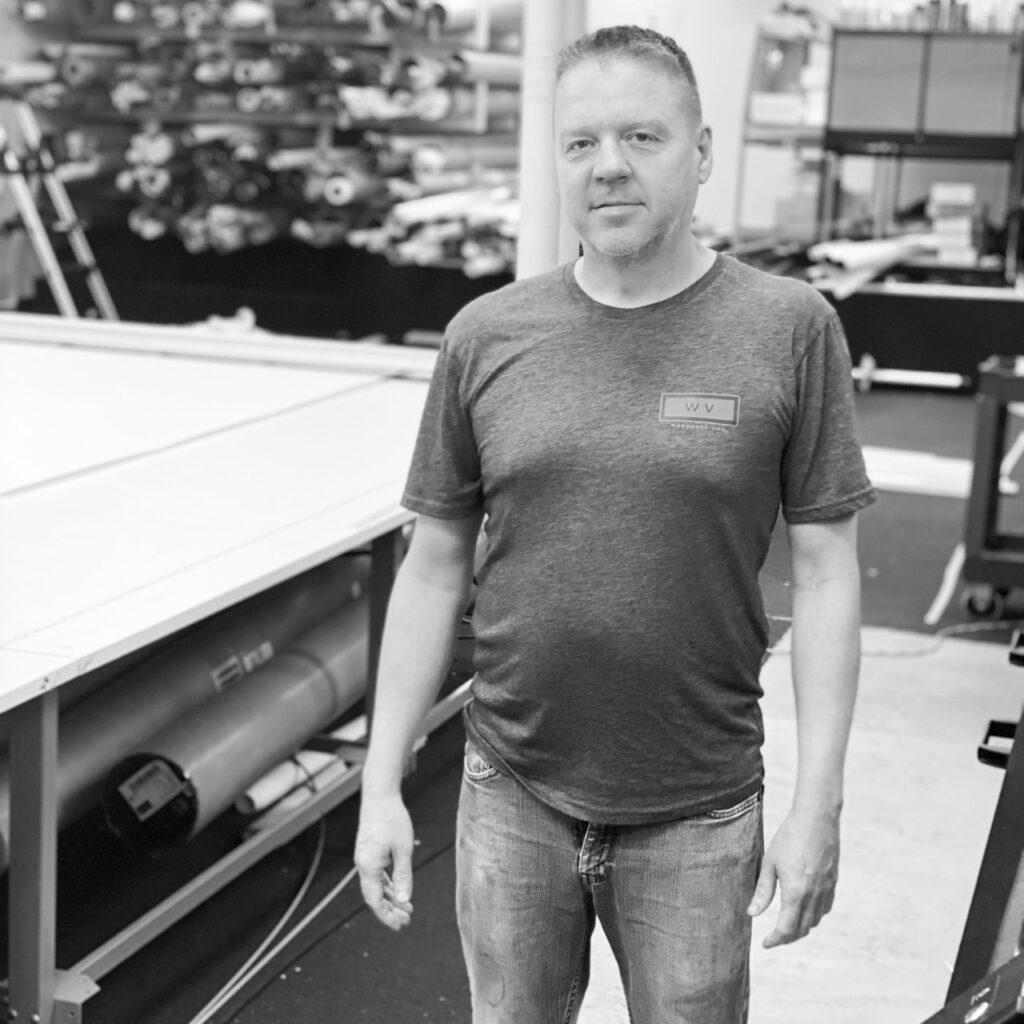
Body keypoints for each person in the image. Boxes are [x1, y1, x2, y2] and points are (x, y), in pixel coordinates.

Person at [354, 23, 876, 1024]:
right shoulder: (486, 334)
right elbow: (431, 567)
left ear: (702, 153)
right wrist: (382, 783)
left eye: (641, 138)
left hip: (698, 809)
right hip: (512, 791)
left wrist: (819, 802)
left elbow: (824, 574)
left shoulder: (787, 327)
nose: (607, 169)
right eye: (580, 143)